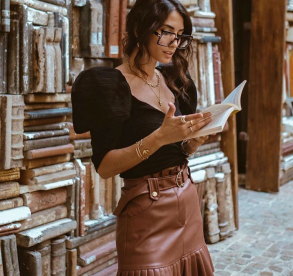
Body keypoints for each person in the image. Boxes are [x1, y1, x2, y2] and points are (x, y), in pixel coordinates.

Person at [71, 0, 215, 274]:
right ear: (140, 28)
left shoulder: (176, 80)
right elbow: (105, 167)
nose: (174, 42)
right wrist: (159, 137)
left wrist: (191, 143)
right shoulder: (111, 86)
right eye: (166, 31)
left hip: (187, 198)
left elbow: (173, 151)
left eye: (180, 34)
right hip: (146, 209)